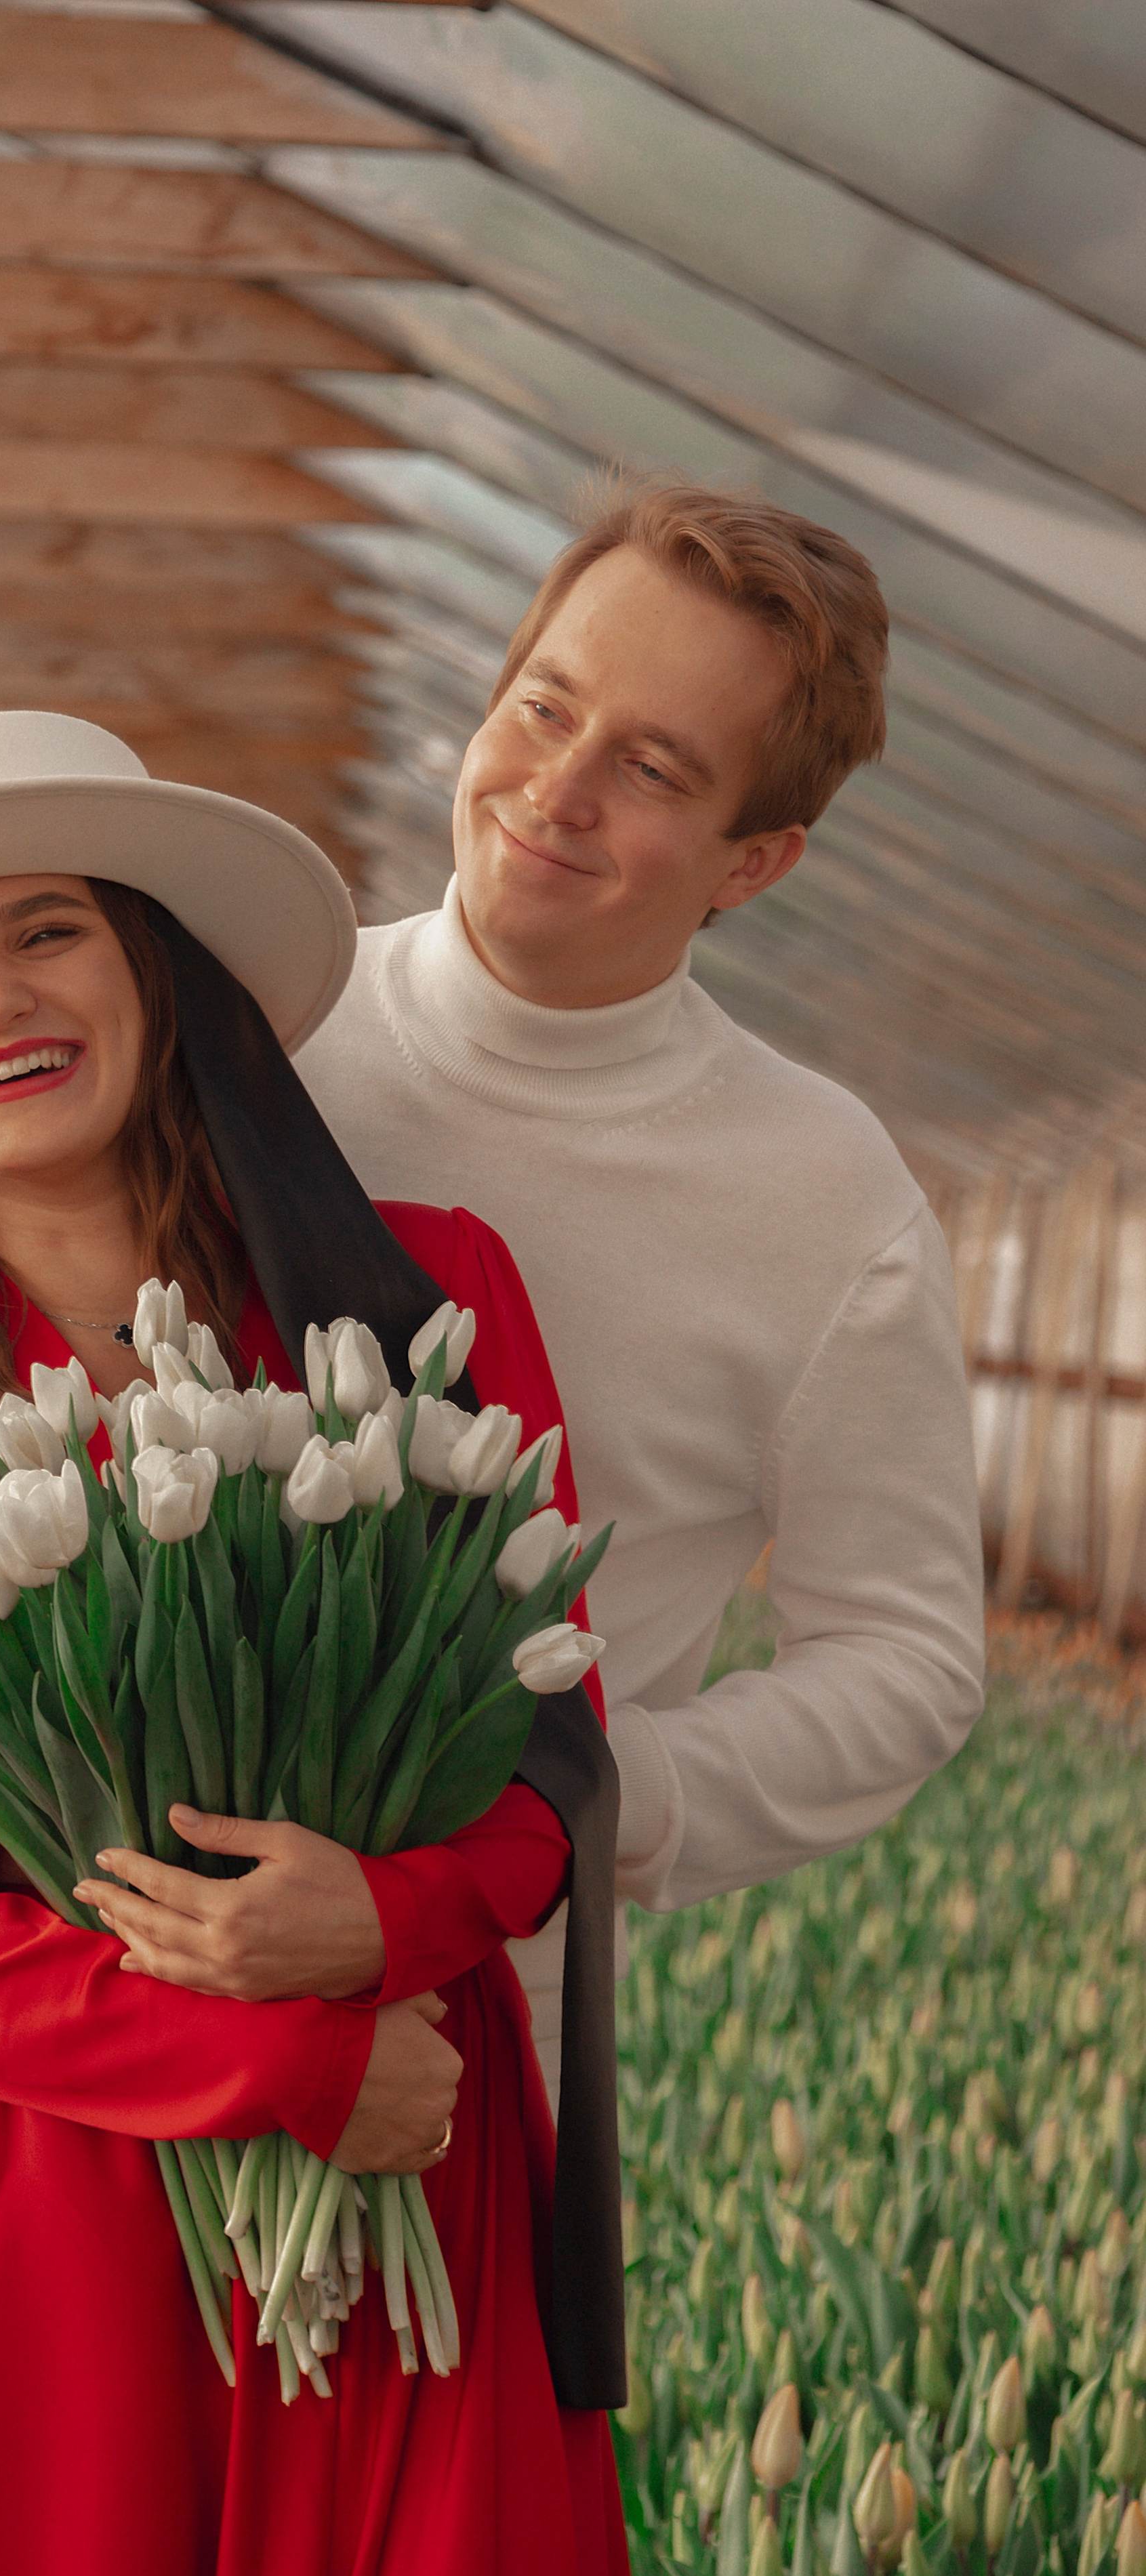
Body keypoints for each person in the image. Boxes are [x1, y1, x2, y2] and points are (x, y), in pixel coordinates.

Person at [0, 711, 636, 2576]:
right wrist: (283, 2059)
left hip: (420, 2135)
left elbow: (550, 1774)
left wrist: (370, 1923)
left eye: (48, 931)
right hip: (78, 2200)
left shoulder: (422, 1300)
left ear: (155, 970)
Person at [296, 482, 987, 2070]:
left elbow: (904, 1654)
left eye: (652, 767)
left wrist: (602, 1791)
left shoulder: (820, 1200)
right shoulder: (261, 1025)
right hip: (87, 1984)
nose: (556, 787)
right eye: (544, 707)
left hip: (479, 2031)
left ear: (753, 863)